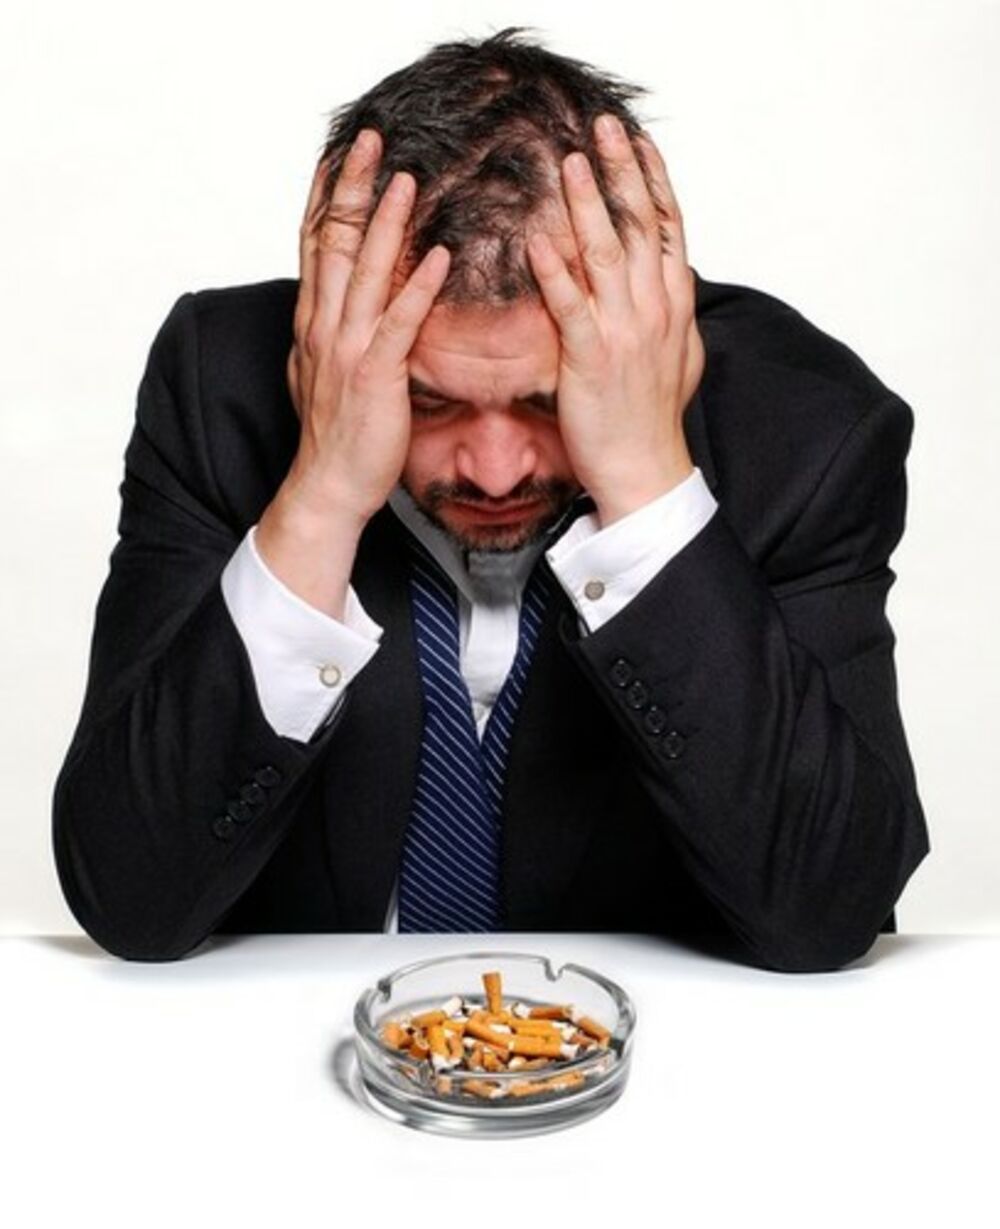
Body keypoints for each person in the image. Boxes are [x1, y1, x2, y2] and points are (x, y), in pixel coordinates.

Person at [52, 27, 929, 970]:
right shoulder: (216, 388)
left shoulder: (809, 432)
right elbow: (131, 900)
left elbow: (830, 907)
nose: (496, 469)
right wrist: (322, 493)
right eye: (429, 402)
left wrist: (646, 483)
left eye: (550, 401)